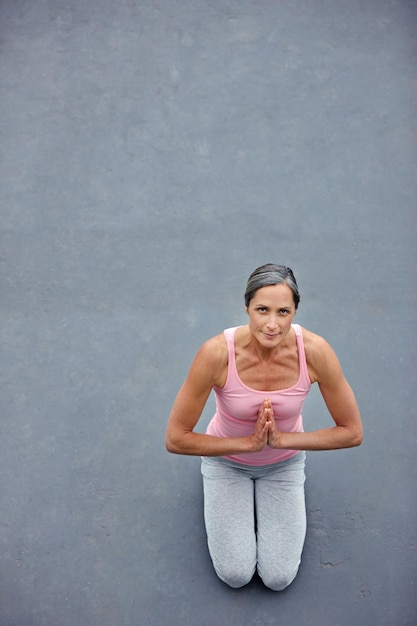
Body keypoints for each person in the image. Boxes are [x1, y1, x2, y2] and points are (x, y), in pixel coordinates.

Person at [165, 263, 363, 591]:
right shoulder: (216, 354)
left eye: (283, 312)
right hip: (226, 463)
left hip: (283, 465)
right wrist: (248, 444)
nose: (272, 324)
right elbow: (176, 438)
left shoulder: (315, 352)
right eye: (262, 310)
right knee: (235, 574)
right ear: (246, 308)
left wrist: (283, 440)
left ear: (295, 311)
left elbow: (352, 431)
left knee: (278, 578)